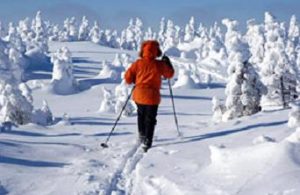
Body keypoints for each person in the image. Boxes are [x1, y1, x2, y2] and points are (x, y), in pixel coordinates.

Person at [125, 40, 174, 152]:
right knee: (150, 119)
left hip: (139, 95)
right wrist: (168, 63)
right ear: (157, 51)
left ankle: (142, 135)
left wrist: (135, 79)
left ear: (143, 50)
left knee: (141, 115)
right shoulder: (159, 64)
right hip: (152, 97)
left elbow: (128, 78)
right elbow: (170, 74)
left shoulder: (137, 63)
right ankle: (147, 141)